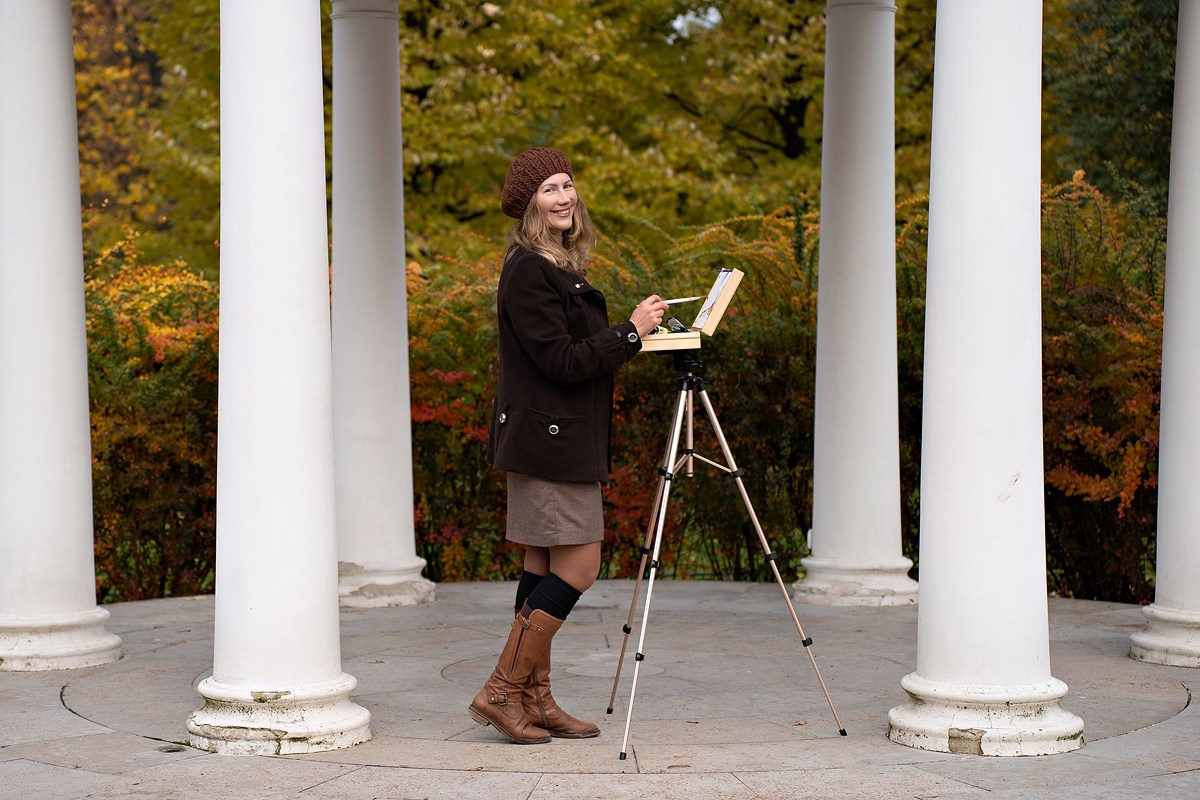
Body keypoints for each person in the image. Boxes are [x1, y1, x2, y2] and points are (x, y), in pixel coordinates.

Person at [468, 147, 667, 744]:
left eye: (568, 184)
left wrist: (632, 337)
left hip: (552, 437)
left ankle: (535, 699)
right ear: (529, 203)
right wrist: (630, 332)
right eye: (550, 188)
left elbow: (573, 353)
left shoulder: (553, 265)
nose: (564, 196)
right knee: (580, 566)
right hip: (549, 443)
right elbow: (561, 361)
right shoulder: (531, 269)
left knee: (543, 564)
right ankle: (501, 691)